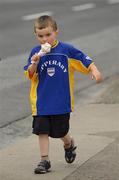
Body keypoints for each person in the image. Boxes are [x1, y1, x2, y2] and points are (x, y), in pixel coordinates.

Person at [24, 15, 102, 174]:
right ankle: (44, 160)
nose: (44, 39)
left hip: (61, 101)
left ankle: (68, 144)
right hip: (41, 102)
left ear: (56, 32)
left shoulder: (65, 50)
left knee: (60, 131)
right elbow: (30, 74)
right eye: (40, 36)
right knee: (42, 130)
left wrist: (94, 70)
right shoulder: (35, 52)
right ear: (36, 35)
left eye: (48, 35)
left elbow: (83, 58)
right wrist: (35, 62)